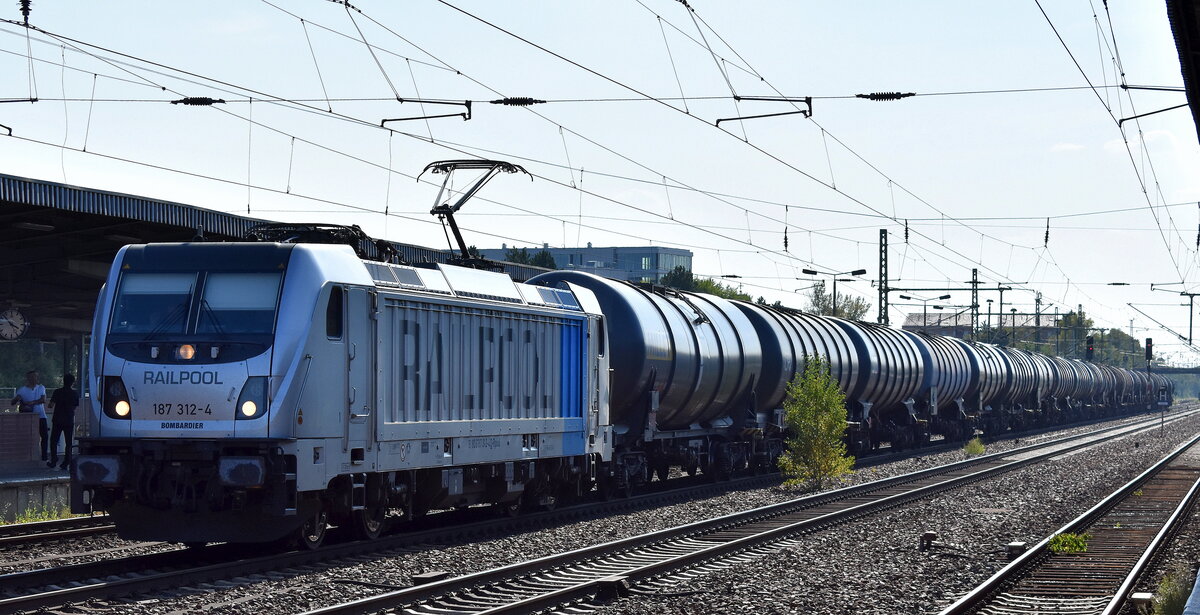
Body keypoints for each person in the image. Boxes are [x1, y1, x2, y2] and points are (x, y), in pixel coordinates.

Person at [11, 370, 49, 461]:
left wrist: (31, 402)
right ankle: (26, 456)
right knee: (28, 436)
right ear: (28, 378)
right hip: (28, 417)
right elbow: (13, 402)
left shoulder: (41, 387)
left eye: (35, 376)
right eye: (32, 377)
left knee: (44, 436)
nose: (34, 378)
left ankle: (44, 457)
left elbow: (43, 400)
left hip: (41, 416)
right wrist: (17, 399)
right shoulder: (22, 390)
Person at [48, 373, 79, 470]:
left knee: (53, 441)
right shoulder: (75, 393)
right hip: (69, 420)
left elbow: (51, 405)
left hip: (57, 419)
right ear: (72, 383)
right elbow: (74, 407)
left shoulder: (57, 392)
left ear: (63, 381)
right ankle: (66, 462)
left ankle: (54, 460)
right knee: (68, 442)